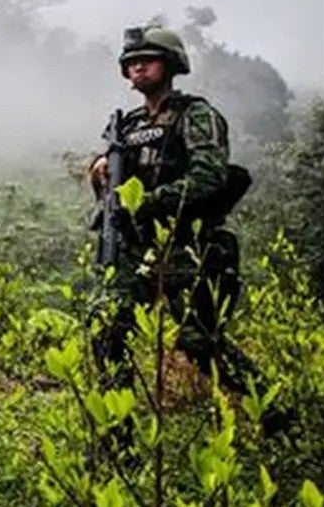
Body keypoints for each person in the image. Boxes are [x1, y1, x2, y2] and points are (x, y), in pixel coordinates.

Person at [88, 25, 271, 418]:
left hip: (189, 243)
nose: (138, 68)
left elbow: (209, 177)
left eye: (147, 60)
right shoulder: (128, 127)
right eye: (131, 63)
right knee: (107, 327)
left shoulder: (196, 115)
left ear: (170, 64)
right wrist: (100, 169)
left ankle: (275, 415)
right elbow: (115, 188)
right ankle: (117, 432)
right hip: (135, 247)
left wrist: (146, 204)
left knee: (199, 342)